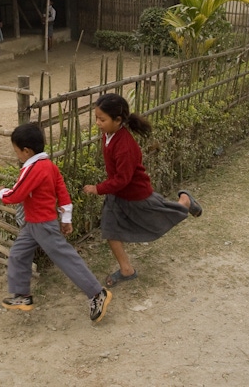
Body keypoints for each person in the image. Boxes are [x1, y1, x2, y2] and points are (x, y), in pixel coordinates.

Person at [83, 93, 202, 287]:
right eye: (96, 118)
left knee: (160, 219)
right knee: (110, 228)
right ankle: (126, 269)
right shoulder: (109, 135)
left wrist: (98, 188)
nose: (97, 123)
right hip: (117, 194)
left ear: (118, 120)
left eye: (102, 119)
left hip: (136, 194)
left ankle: (185, 202)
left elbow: (123, 179)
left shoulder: (125, 146)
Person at [0, 123, 113, 322]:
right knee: (18, 254)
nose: (16, 155)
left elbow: (17, 194)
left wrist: (1, 192)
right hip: (35, 224)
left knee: (65, 258)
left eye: (16, 151)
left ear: (26, 151)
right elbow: (62, 191)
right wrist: (66, 218)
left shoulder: (33, 169)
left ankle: (97, 293)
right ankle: (22, 295)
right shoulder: (49, 166)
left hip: (42, 224)